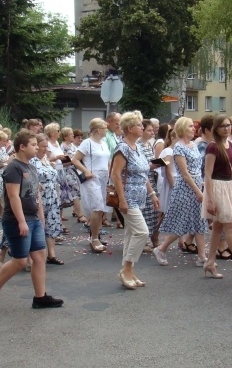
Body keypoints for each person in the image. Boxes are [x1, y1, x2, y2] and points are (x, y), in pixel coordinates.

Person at [0, 130, 64, 312]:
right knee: (19, 260)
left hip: (33, 219)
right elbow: (13, 196)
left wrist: (40, 216)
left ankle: (40, 297)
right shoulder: (13, 168)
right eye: (33, 145)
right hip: (17, 220)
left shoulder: (31, 167)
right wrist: (21, 221)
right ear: (22, 147)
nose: (37, 148)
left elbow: (36, 194)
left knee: (40, 257)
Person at [110, 111, 159, 288]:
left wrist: (152, 194)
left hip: (140, 196)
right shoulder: (122, 148)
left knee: (131, 233)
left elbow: (144, 173)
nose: (142, 127)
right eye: (139, 125)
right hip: (128, 197)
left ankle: (128, 270)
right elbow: (116, 175)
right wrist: (122, 200)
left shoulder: (137, 147)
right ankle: (127, 269)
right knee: (142, 232)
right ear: (130, 128)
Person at [153, 117, 209, 267]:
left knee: (200, 221)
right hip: (185, 188)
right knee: (181, 223)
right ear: (183, 128)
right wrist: (198, 190)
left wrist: (202, 184)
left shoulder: (193, 145)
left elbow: (197, 169)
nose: (194, 128)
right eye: (190, 126)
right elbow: (184, 173)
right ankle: (161, 248)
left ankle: (202, 256)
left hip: (196, 184)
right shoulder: (178, 147)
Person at [202, 115, 232, 279]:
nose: (226, 128)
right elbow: (207, 173)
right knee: (231, 227)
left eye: (228, 125)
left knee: (218, 226)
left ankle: (210, 262)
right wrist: (210, 199)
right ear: (216, 129)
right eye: (223, 126)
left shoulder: (231, 146)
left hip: (228, 186)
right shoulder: (213, 147)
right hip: (217, 186)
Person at [71, 118, 112, 253]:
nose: (107, 130)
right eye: (105, 128)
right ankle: (94, 238)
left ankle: (96, 234)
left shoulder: (104, 143)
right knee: (97, 207)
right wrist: (86, 171)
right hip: (92, 177)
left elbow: (107, 160)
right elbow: (75, 160)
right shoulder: (87, 143)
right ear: (98, 130)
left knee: (102, 209)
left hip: (104, 177)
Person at [32, 134, 64, 265]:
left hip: (51, 197)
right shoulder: (31, 161)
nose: (46, 149)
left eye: (47, 146)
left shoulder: (45, 158)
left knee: (51, 224)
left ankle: (52, 255)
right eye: (44, 146)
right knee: (36, 225)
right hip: (38, 198)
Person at [137, 120, 160, 251]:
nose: (152, 133)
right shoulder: (139, 145)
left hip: (151, 179)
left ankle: (151, 238)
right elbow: (142, 165)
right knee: (144, 211)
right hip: (143, 181)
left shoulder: (148, 145)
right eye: (149, 130)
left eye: (153, 130)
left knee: (152, 211)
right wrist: (151, 166)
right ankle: (143, 241)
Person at [59, 127, 85, 223]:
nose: (72, 136)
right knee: (75, 192)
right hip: (68, 172)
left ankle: (62, 214)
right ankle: (80, 215)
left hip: (75, 172)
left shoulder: (72, 146)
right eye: (71, 134)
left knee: (72, 193)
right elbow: (64, 162)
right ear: (65, 136)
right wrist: (74, 160)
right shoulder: (63, 147)